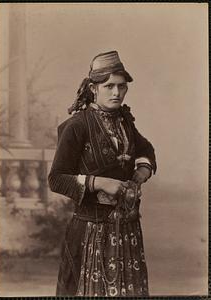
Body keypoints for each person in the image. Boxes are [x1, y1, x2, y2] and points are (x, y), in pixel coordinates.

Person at [48, 50, 157, 297]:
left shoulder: (124, 121)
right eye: (109, 86)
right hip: (90, 233)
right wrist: (98, 182)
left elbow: (145, 148)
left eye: (122, 86)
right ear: (93, 88)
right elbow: (56, 178)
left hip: (128, 232)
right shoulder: (77, 126)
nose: (117, 93)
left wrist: (143, 168)